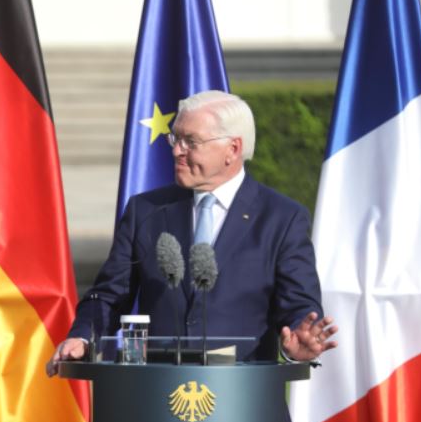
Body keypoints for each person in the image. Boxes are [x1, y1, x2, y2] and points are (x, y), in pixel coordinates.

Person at [47, 90, 335, 375]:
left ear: (232, 149)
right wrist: (83, 337)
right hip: (156, 395)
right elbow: (109, 295)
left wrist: (297, 343)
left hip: (241, 399)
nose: (176, 151)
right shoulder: (146, 211)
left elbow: (298, 305)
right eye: (175, 138)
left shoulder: (281, 218)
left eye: (190, 142)